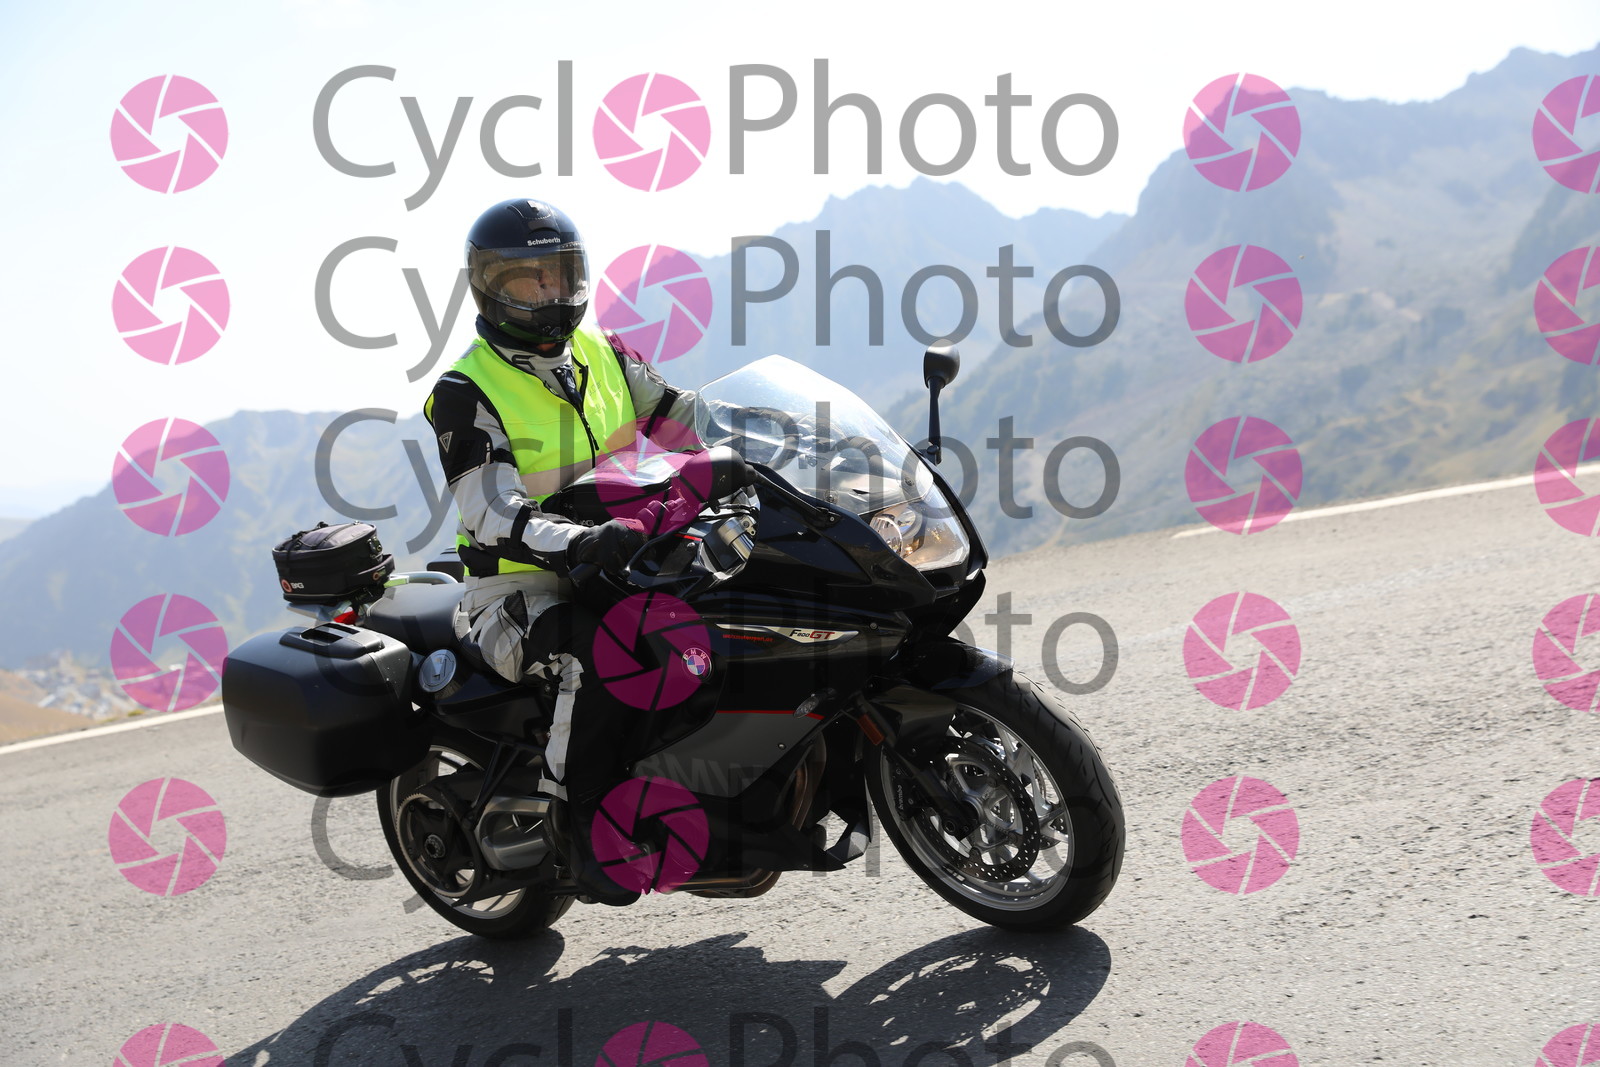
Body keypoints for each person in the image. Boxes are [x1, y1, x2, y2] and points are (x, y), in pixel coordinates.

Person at [424, 198, 702, 906]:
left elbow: (685, 419)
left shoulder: (605, 355)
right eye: (528, 278)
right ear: (490, 287)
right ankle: (584, 832)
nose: (548, 291)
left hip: (624, 561)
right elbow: (490, 508)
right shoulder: (464, 390)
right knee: (598, 655)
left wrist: (770, 452)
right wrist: (576, 539)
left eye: (557, 273)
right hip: (519, 591)